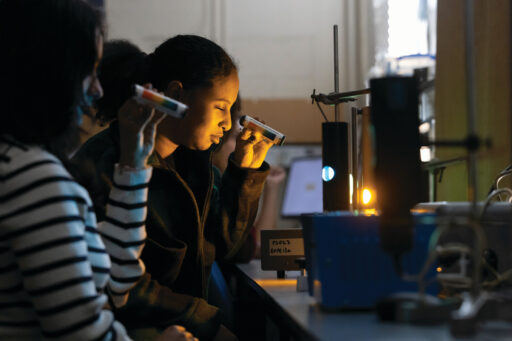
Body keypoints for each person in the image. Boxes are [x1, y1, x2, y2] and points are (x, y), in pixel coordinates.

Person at [0, 1, 195, 340]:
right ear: (46, 75)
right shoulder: (35, 178)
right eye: (88, 71)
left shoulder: (20, 163)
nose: (97, 90)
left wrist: (133, 165)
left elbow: (114, 276)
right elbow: (84, 333)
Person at [74, 37, 274, 340]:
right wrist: (204, 321)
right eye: (220, 107)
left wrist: (244, 173)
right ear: (175, 94)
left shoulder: (196, 166)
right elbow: (125, 285)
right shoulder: (108, 163)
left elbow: (227, 247)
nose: (227, 123)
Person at [212, 95, 287, 262]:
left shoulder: (223, 183)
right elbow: (248, 248)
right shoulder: (213, 186)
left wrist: (270, 186)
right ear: (216, 141)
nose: (243, 143)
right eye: (234, 137)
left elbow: (251, 242)